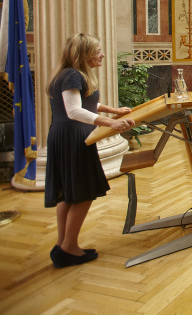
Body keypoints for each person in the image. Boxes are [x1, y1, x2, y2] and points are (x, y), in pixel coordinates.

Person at [45, 34, 136, 268]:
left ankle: (63, 244)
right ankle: (69, 247)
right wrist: (110, 123)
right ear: (84, 54)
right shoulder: (73, 75)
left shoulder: (68, 75)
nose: (102, 54)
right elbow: (75, 111)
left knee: (68, 192)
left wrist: (113, 110)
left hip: (64, 135)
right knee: (82, 192)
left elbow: (87, 104)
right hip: (72, 137)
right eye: (98, 51)